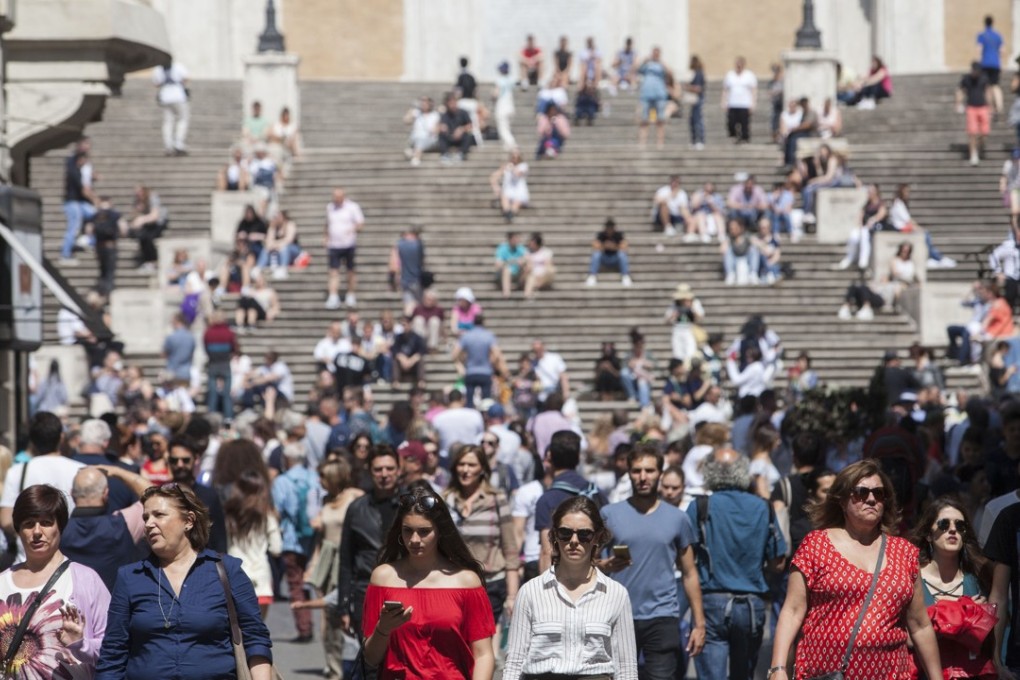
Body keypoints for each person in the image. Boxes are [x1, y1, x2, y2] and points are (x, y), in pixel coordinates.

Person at [769, 460, 943, 680]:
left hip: (890, 674)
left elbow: (919, 625)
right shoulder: (816, 544)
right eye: (861, 492)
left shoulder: (905, 553)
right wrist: (778, 668)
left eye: (879, 494)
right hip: (825, 673)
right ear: (842, 501)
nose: (871, 499)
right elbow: (792, 611)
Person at [96, 483, 274, 680]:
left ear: (188, 521)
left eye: (159, 515)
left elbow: (255, 638)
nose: (148, 524)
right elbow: (113, 653)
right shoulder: (131, 577)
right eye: (146, 517)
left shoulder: (227, 570)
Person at [361, 484, 495, 678]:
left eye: (424, 531)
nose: (414, 539)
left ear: (440, 531)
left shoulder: (466, 582)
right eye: (407, 530)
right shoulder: (383, 577)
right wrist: (383, 629)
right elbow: (370, 658)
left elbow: (483, 654)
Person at [503, 495, 638, 680]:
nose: (574, 541)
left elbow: (626, 667)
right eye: (566, 533)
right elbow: (514, 662)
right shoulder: (530, 592)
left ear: (597, 537)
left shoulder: (616, 594)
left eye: (584, 534)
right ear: (555, 536)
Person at [600, 444, 706, 679]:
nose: (643, 477)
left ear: (660, 473)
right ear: (628, 473)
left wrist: (699, 623)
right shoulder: (609, 515)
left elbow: (689, 573)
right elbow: (588, 563)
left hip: (663, 615)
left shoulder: (678, 519)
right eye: (637, 471)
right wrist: (605, 565)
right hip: (618, 615)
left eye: (649, 470)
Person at [688, 448, 785, 680]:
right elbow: (778, 562)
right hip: (751, 605)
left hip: (711, 603)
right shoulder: (763, 507)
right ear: (743, 472)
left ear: (710, 473)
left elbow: (685, 561)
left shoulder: (700, 506)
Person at [0, 484, 111, 678]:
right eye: (28, 524)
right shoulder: (3, 582)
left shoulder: (85, 579)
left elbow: (114, 647)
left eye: (46, 522)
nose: (37, 531)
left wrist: (81, 644)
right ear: (18, 529)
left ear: (60, 526)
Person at [908, 497, 997, 680]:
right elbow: (908, 639)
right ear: (928, 535)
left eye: (960, 526)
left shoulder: (979, 578)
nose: (953, 529)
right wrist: (959, 615)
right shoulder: (911, 578)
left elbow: (990, 641)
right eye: (943, 524)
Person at [442, 446, 520, 623]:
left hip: (490, 583)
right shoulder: (445, 500)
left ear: (483, 469)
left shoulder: (496, 500)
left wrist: (512, 596)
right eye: (461, 464)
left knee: (481, 642)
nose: (465, 470)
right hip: (453, 583)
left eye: (471, 464)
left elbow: (510, 548)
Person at [338, 447, 401, 638]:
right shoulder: (357, 509)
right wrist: (343, 605)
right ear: (370, 471)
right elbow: (346, 559)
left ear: (399, 470)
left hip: (403, 589)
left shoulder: (409, 506)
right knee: (370, 657)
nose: (384, 475)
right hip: (365, 592)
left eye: (390, 469)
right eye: (378, 469)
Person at [61, 466, 148, 591]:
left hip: (70, 607)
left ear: (72, 494)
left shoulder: (58, 530)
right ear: (106, 494)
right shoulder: (123, 524)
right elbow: (155, 496)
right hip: (117, 607)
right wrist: (117, 471)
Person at [272, 443, 321, 642]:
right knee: (313, 581)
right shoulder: (314, 478)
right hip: (314, 539)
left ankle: (304, 627)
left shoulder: (282, 481)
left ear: (288, 459)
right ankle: (315, 622)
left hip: (292, 539)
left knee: (295, 583)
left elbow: (278, 510)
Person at [325, 188, 365, 310]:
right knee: (333, 272)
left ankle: (351, 294)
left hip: (348, 243)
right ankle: (333, 295)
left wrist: (351, 230)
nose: (336, 199)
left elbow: (360, 223)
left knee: (350, 271)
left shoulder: (352, 207)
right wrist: (325, 236)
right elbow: (327, 223)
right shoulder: (330, 207)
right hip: (334, 244)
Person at [151, 59, 189, 155]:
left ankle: (168, 146)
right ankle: (178, 144)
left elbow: (156, 83)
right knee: (182, 119)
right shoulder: (178, 66)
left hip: (165, 95)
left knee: (168, 122)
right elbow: (186, 78)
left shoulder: (157, 69)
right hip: (178, 95)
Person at [958, 61, 992, 167]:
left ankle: (980, 147)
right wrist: (958, 103)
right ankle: (973, 154)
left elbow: (987, 91)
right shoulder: (966, 79)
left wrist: (991, 105)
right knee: (972, 133)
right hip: (971, 107)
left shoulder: (984, 78)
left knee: (985, 132)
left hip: (983, 107)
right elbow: (961, 91)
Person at [637, 47, 671, 148]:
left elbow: (670, 73)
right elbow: (636, 69)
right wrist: (645, 60)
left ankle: (660, 143)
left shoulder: (662, 65)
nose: (655, 55)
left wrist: (661, 61)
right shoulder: (647, 65)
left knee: (660, 120)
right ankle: (642, 143)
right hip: (646, 95)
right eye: (654, 53)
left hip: (659, 95)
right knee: (644, 120)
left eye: (657, 53)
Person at [586, 218, 633, 287]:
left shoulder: (618, 235)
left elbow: (625, 246)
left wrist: (614, 247)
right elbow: (594, 246)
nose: (609, 230)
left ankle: (625, 275)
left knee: (622, 255)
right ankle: (592, 275)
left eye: (611, 228)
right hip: (604, 258)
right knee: (596, 254)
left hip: (615, 258)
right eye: (608, 228)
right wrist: (604, 246)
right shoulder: (601, 235)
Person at [723, 57, 757, 143]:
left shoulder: (749, 75)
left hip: (744, 103)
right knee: (731, 122)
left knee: (744, 122)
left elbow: (753, 90)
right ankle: (734, 135)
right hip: (732, 103)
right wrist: (724, 101)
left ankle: (745, 138)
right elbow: (725, 89)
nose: (738, 66)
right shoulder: (730, 75)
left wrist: (753, 103)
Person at [489, 149, 529, 223]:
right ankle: (507, 213)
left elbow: (518, 173)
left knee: (517, 201)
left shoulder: (523, 166)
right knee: (504, 198)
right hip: (508, 189)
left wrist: (512, 167)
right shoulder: (507, 166)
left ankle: (510, 214)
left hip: (519, 190)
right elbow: (494, 177)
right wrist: (495, 187)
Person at [978, 15, 1005, 115]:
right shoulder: (998, 36)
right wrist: (1000, 64)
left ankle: (991, 108)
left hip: (985, 64)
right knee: (996, 86)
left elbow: (980, 50)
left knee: (987, 87)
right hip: (995, 63)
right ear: (993, 23)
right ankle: (1000, 107)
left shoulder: (982, 35)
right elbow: (1002, 51)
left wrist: (980, 63)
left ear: (984, 23)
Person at [403, 96, 439, 167]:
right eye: (422, 102)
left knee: (421, 140)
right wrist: (411, 110)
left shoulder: (435, 115)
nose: (423, 104)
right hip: (415, 137)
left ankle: (415, 156)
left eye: (426, 102)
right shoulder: (416, 113)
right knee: (419, 138)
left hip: (429, 138)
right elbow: (406, 121)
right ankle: (415, 152)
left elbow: (436, 130)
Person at [438, 92, 473, 163]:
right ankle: (445, 154)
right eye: (450, 103)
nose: (452, 105)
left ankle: (461, 154)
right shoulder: (445, 114)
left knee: (468, 136)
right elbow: (440, 125)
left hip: (461, 137)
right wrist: (442, 127)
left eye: (454, 102)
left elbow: (470, 125)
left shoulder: (463, 113)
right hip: (450, 136)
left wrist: (462, 129)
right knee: (441, 136)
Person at [522, 232, 555, 301]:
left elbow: (548, 264)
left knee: (551, 270)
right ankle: (528, 295)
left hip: (542, 275)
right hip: (532, 275)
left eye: (531, 242)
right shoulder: (527, 252)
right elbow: (527, 265)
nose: (530, 244)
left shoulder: (546, 252)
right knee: (531, 277)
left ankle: (534, 289)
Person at [687, 55, 707, 150]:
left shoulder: (698, 73)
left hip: (698, 99)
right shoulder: (697, 73)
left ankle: (699, 140)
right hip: (696, 100)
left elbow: (698, 88)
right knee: (693, 120)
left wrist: (688, 87)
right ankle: (695, 140)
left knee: (697, 120)